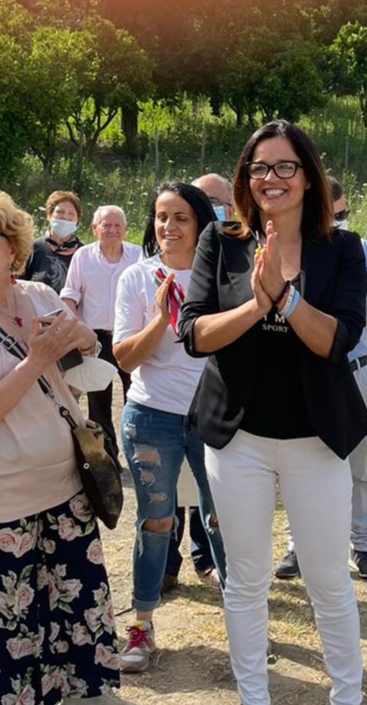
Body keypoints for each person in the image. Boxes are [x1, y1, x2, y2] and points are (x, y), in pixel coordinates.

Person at [180, 120, 367, 705]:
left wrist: (287, 296)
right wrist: (256, 301)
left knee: (328, 580)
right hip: (236, 439)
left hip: (315, 440)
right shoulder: (221, 239)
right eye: (258, 167)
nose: (270, 178)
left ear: (309, 175)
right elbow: (197, 334)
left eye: (284, 166)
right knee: (246, 580)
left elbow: (336, 339)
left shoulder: (341, 250)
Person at [0, 188, 142, 705]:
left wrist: (78, 340)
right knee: (9, 607)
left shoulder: (41, 294)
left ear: (12, 245)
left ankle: (88, 693)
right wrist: (36, 360)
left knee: (80, 595)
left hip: (64, 481)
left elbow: (85, 371)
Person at [114, 182, 230, 673]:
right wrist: (160, 320)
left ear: (202, 223)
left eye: (181, 216)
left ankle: (244, 623)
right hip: (151, 417)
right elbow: (124, 356)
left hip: (214, 416)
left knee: (224, 519)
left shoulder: (224, 276)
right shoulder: (136, 279)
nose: (169, 226)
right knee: (156, 521)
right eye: (161, 216)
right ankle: (142, 627)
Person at [272, 175, 367, 582]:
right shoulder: (290, 250)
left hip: (352, 372)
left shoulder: (360, 249)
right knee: (296, 461)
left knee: (356, 464)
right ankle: (296, 546)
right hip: (302, 372)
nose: (336, 224)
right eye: (329, 215)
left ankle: (361, 544)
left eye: (341, 216)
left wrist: (347, 288)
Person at [158, 173, 237, 590]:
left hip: (213, 404)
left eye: (218, 201)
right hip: (163, 407)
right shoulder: (146, 276)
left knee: (215, 504)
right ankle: (169, 568)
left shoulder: (231, 265)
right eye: (162, 216)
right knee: (166, 500)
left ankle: (222, 573)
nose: (171, 225)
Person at [60, 205, 143, 448]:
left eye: (118, 225)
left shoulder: (139, 256)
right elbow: (69, 296)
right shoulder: (83, 256)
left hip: (131, 337)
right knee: (98, 402)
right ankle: (106, 456)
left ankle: (137, 449)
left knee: (137, 395)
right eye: (107, 225)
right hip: (95, 339)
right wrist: (79, 333)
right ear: (95, 229)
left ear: (126, 230)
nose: (113, 230)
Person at [21, 190, 84, 288]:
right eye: (60, 212)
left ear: (77, 219)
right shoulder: (32, 248)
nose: (65, 216)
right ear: (49, 215)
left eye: (71, 213)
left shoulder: (85, 253)